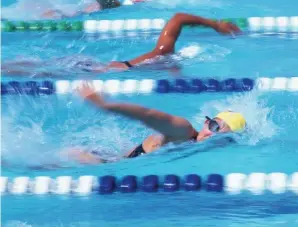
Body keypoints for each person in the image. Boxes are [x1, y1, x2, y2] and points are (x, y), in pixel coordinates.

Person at [1, 12, 242, 77]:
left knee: (34, 65)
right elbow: (178, 17)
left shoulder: (162, 59)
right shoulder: (162, 54)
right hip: (94, 69)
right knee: (33, 70)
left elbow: (179, 19)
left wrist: (214, 25)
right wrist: (214, 24)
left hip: (93, 64)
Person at [65, 83, 247, 164]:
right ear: (206, 121)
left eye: (220, 135)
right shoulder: (183, 130)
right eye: (214, 126)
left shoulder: (200, 149)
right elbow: (148, 115)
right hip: (98, 161)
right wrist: (105, 105)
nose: (211, 135)